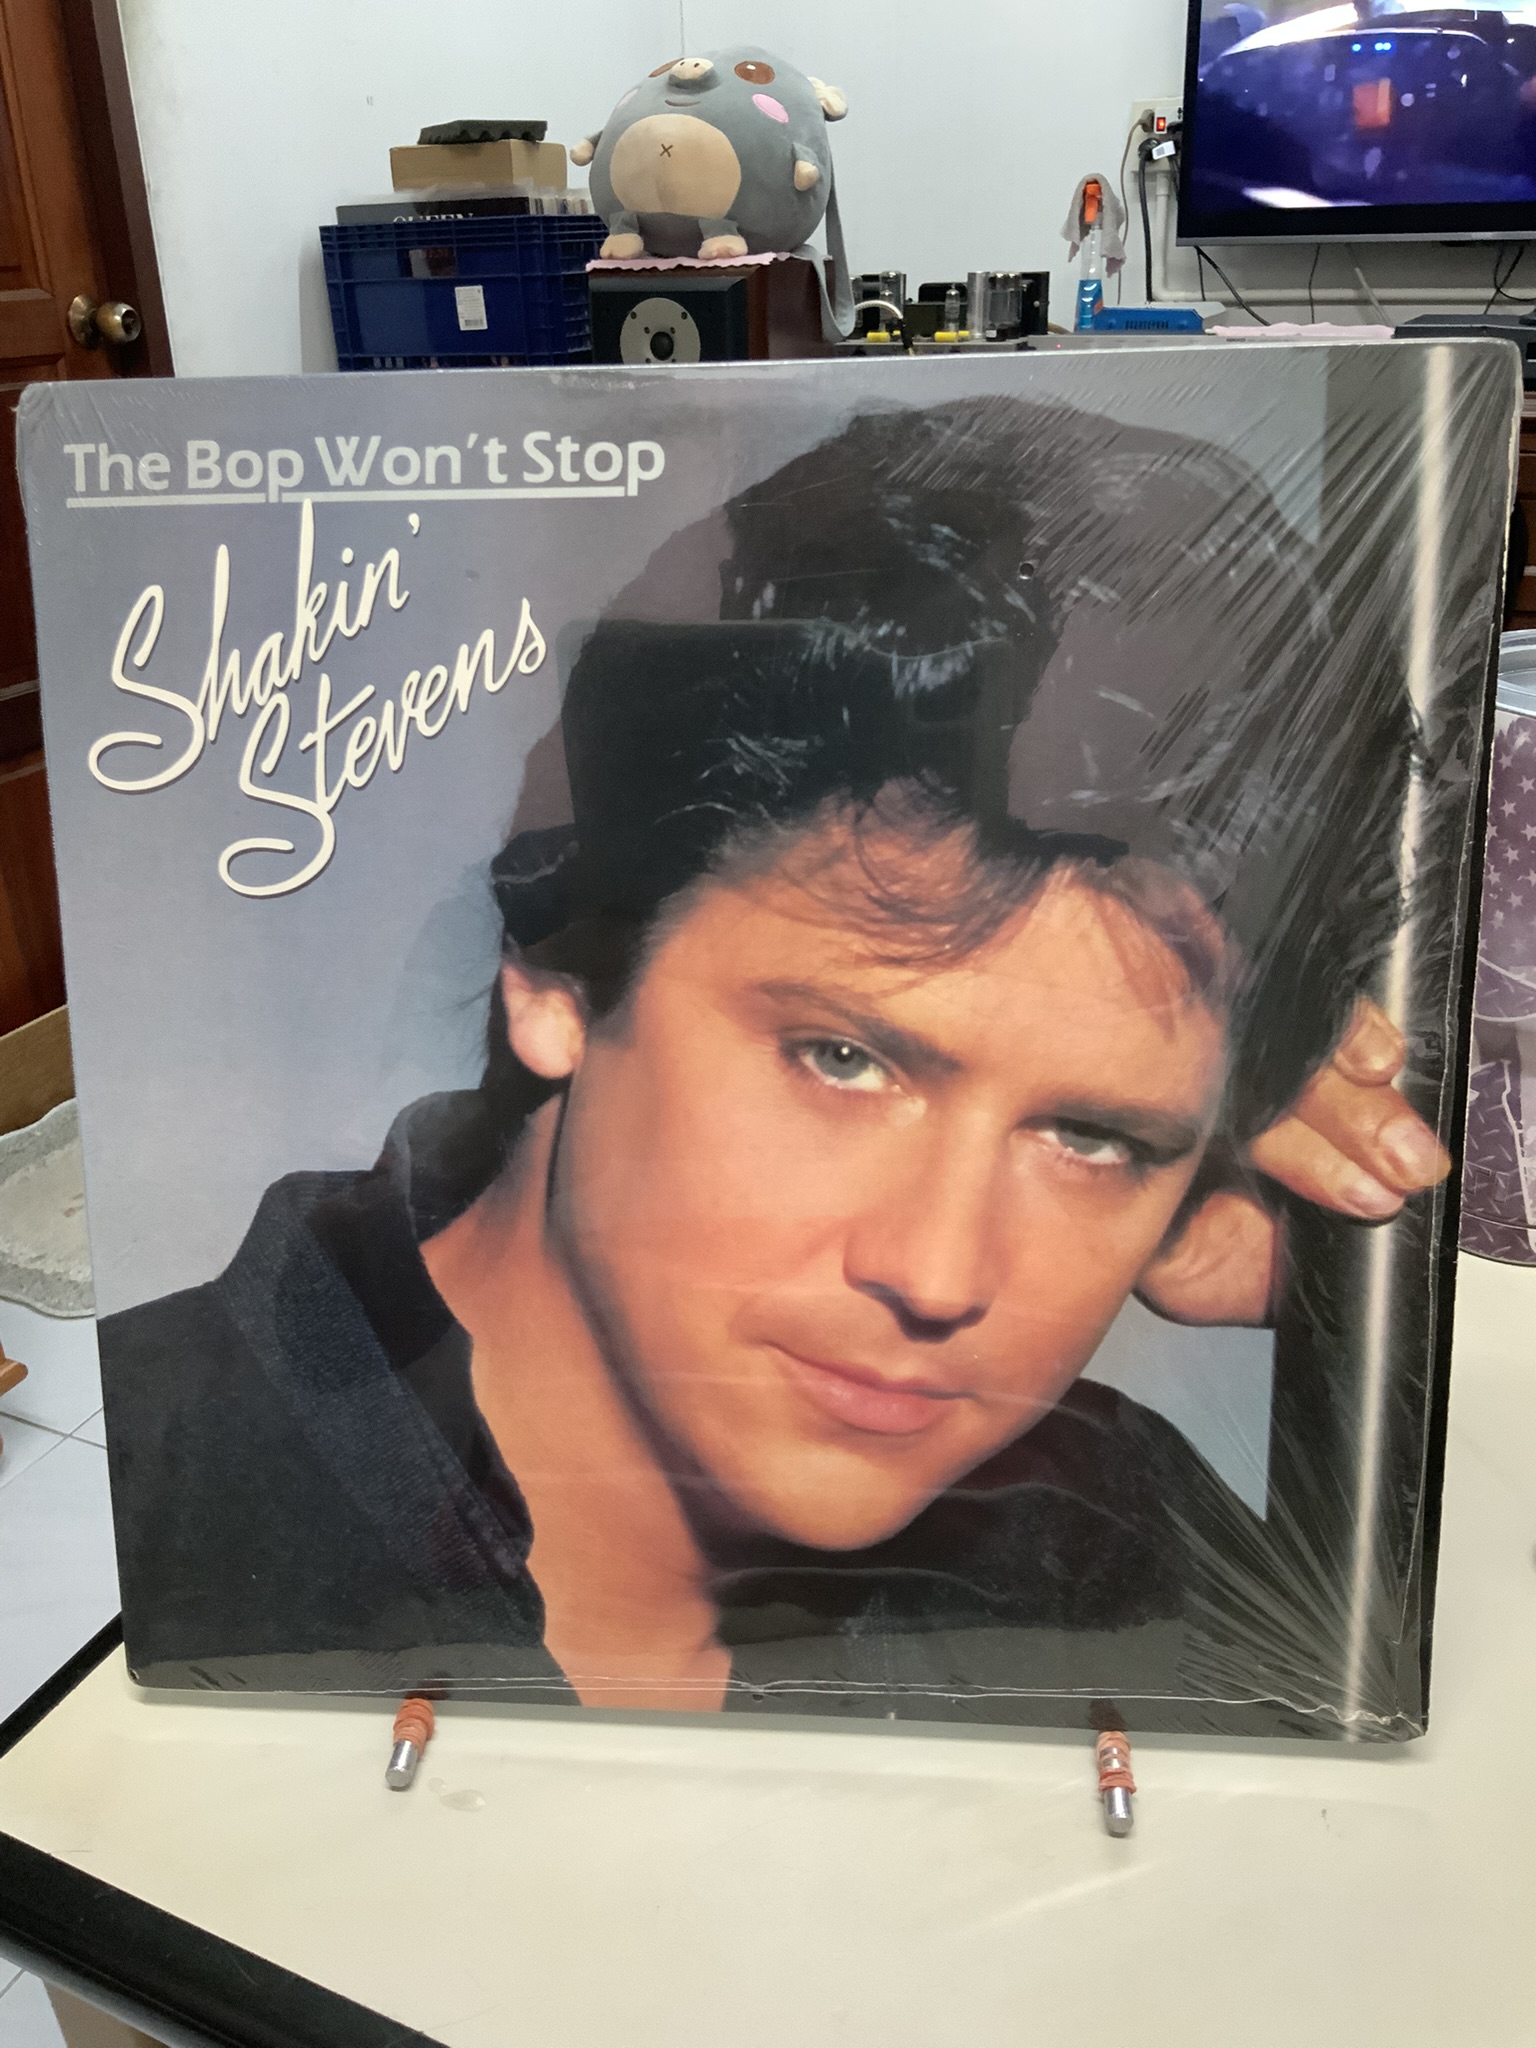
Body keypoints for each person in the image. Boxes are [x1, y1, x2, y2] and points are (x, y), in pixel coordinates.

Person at [102, 396, 1451, 1720]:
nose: (937, 1274)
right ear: (557, 977)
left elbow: (1339, 1734)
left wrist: (1348, 1293)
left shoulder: (1098, 1527)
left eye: (1094, 1138)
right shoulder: (162, 1486)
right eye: (844, 1059)